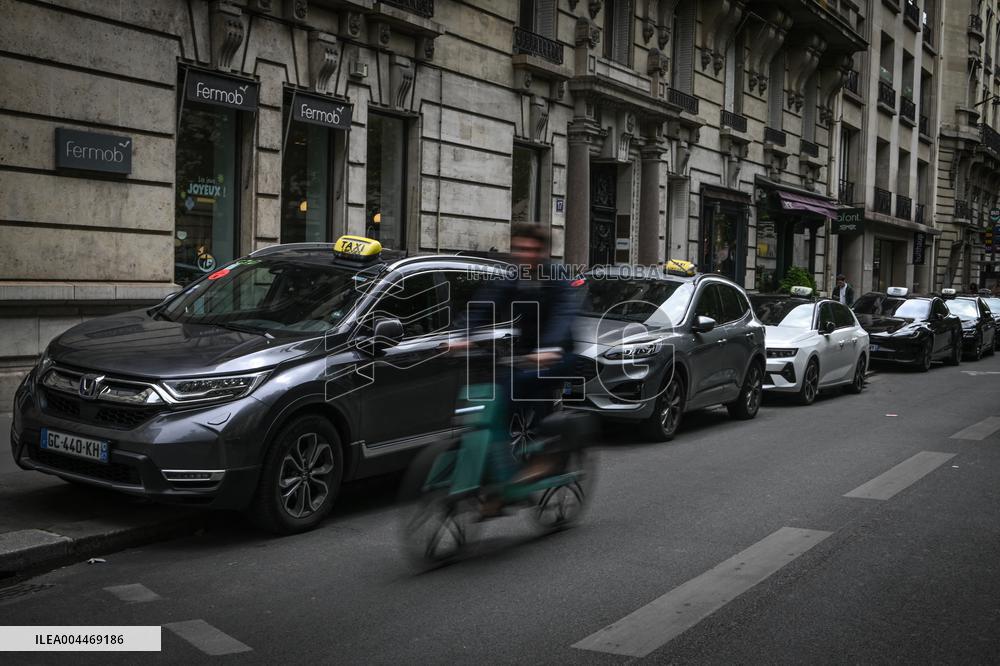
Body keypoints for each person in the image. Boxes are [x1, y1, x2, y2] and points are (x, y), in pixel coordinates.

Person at [452, 224, 581, 502]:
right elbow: (484, 304)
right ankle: (500, 472)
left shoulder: (556, 276)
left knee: (525, 389)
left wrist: (549, 347)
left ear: (545, 252)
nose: (527, 255)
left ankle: (547, 453)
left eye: (534, 250)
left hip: (559, 353)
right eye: (521, 249)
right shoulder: (513, 276)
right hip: (526, 354)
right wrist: (462, 335)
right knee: (497, 397)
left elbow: (564, 311)